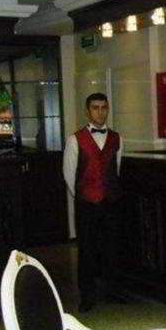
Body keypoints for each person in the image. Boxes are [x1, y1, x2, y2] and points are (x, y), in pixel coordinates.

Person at [62, 92, 123, 311]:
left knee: (111, 248)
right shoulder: (75, 139)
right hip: (86, 203)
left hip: (110, 202)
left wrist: (108, 193)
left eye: (104, 107)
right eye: (95, 108)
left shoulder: (117, 138)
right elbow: (69, 173)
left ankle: (111, 292)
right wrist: (84, 195)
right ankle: (87, 296)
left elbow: (116, 168)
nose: (100, 112)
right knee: (86, 251)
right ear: (88, 112)